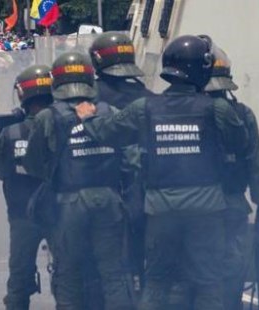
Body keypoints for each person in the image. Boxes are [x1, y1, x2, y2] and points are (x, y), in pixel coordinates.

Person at [75, 35, 248, 310]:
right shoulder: (217, 108)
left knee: (157, 282)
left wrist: (88, 117)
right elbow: (241, 144)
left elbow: (108, 132)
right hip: (207, 211)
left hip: (160, 210)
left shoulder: (146, 108)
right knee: (208, 282)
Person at [23, 51, 134, 310]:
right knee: (114, 273)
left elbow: (33, 165)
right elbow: (130, 160)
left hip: (68, 205)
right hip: (109, 201)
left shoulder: (47, 117)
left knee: (68, 274)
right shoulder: (110, 111)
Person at [203, 44, 259, 310]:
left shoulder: (189, 111)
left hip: (198, 209)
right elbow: (255, 163)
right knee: (232, 274)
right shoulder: (242, 114)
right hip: (233, 204)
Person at [89, 31, 154, 295]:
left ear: (96, 60)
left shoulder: (89, 98)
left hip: (106, 193)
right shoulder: (151, 96)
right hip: (150, 192)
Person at [0, 64, 54, 310]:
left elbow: (0, 172)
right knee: (70, 272)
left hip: (22, 213)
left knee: (19, 273)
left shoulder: (10, 133)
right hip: (58, 209)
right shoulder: (63, 126)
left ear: (22, 95)